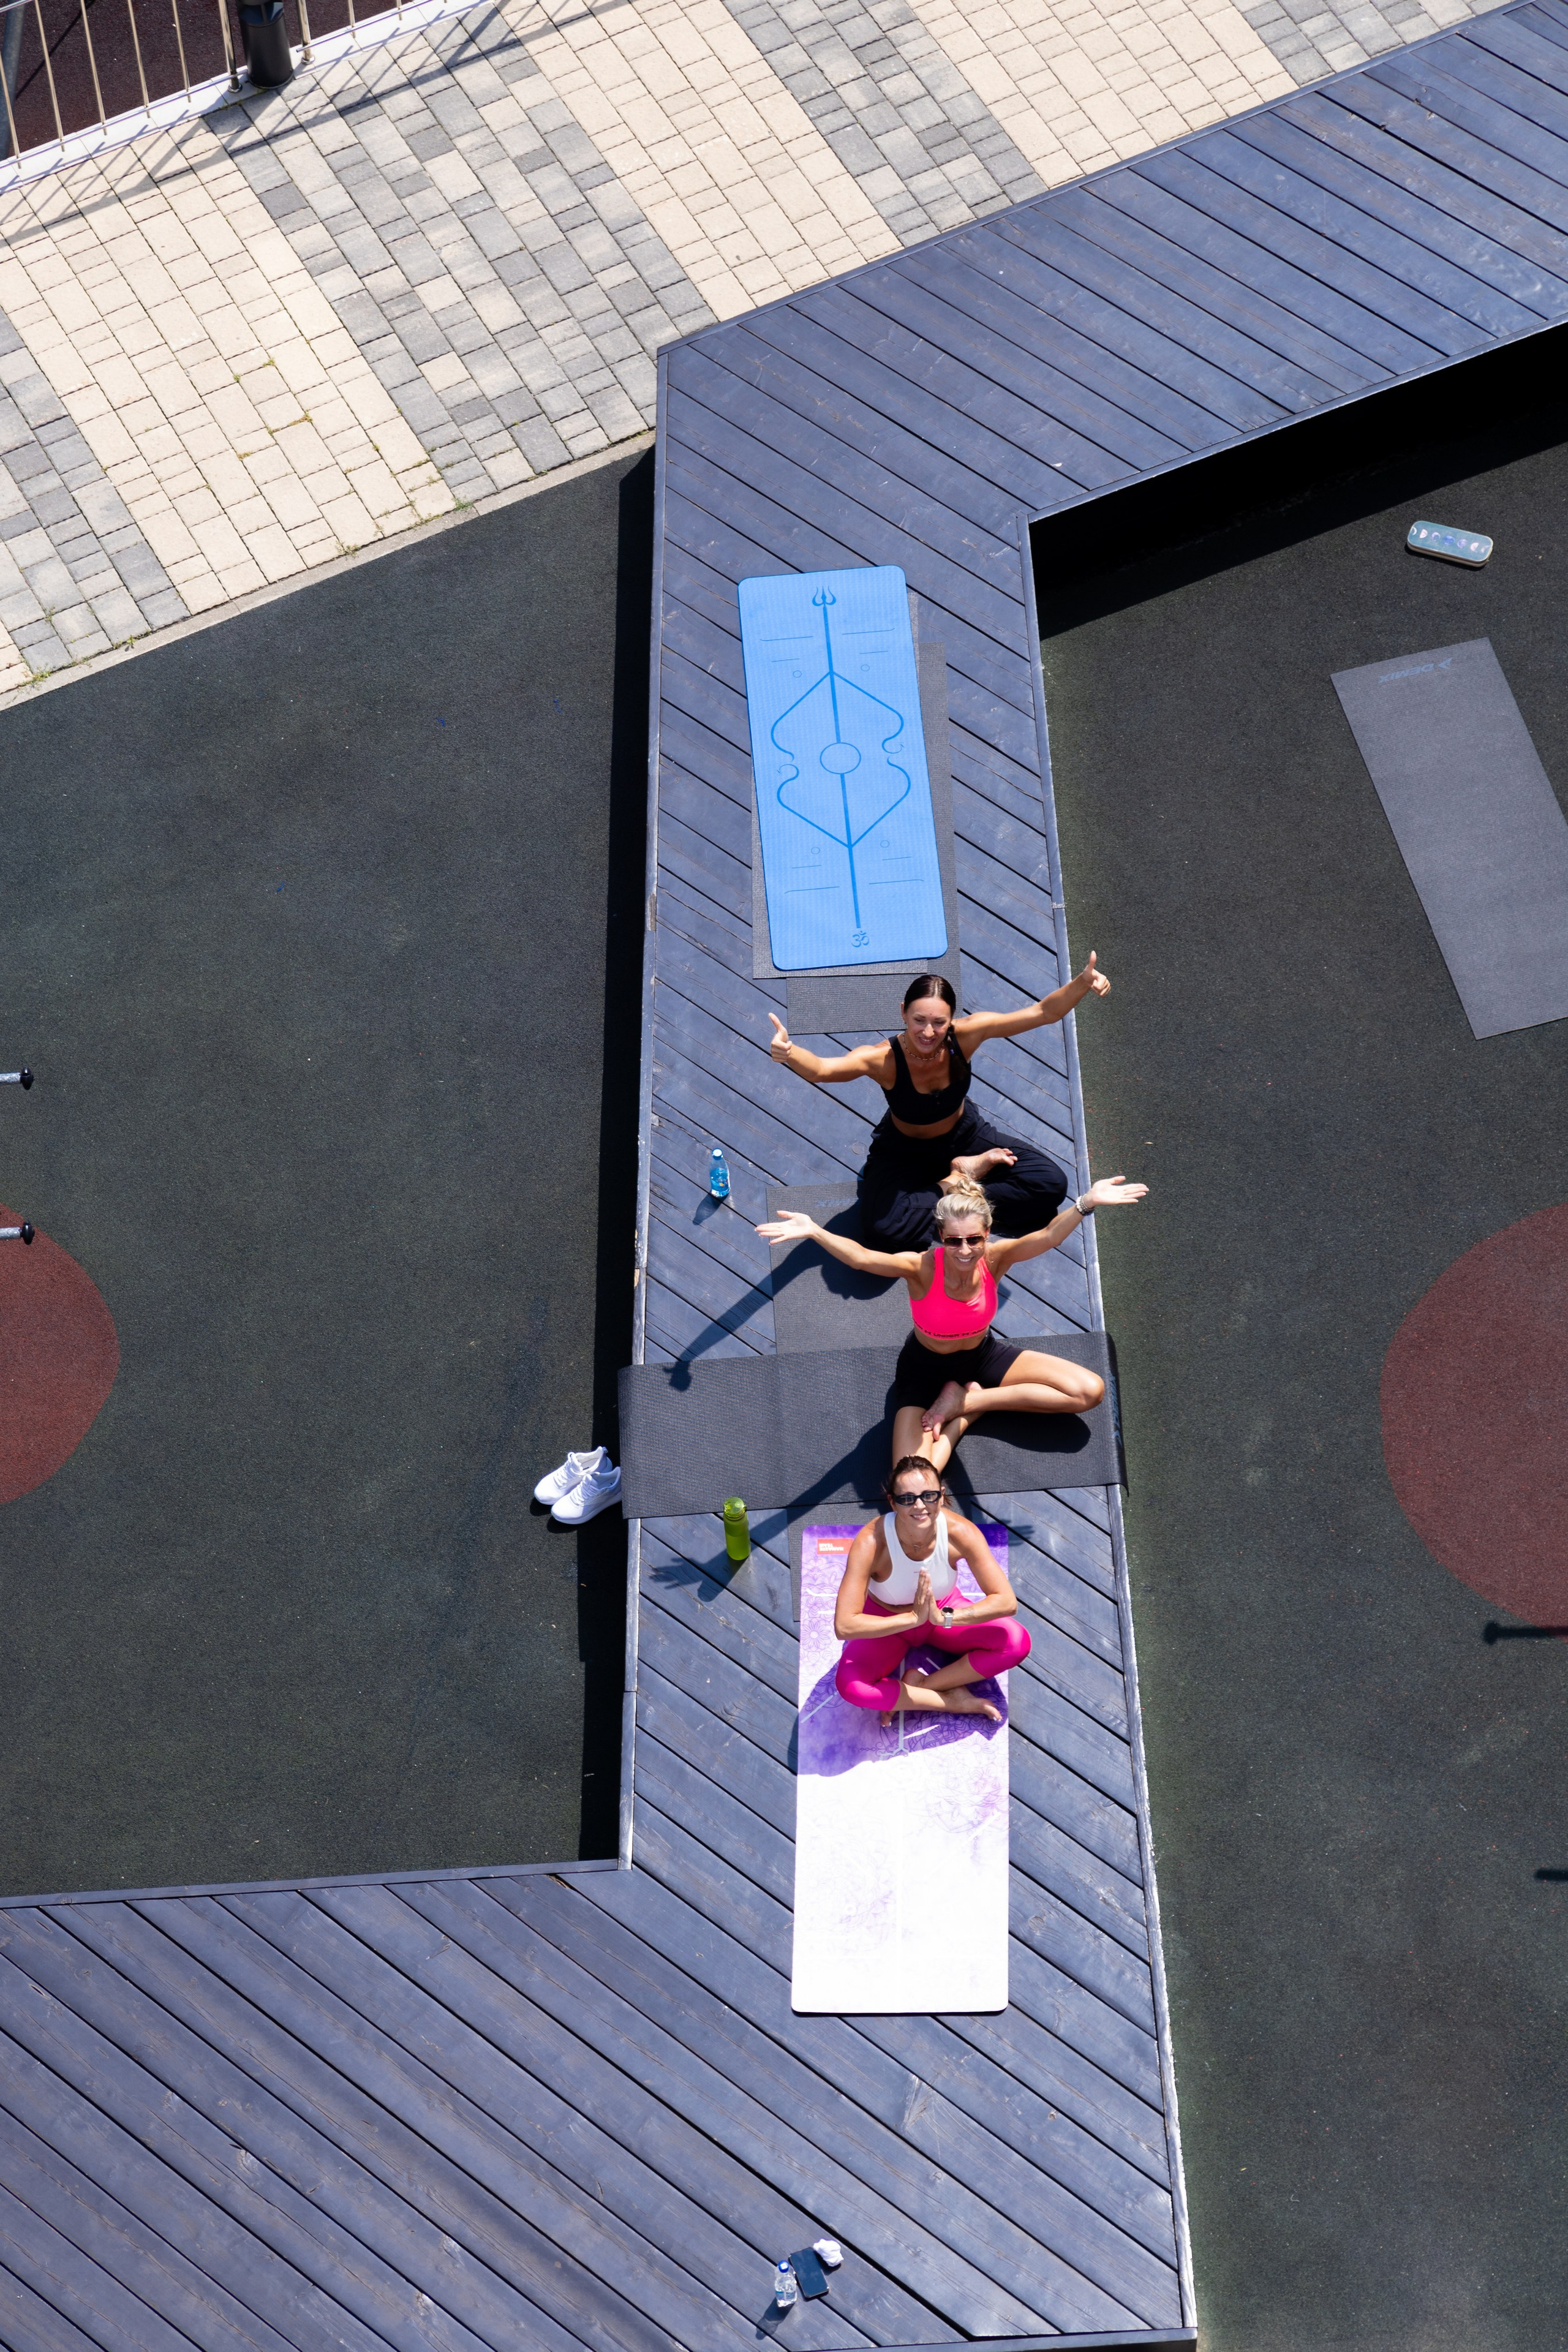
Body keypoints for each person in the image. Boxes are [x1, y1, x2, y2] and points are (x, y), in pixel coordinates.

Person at [758, 1170, 1145, 1473]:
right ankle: (963, 1415)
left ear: (986, 1235)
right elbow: (861, 1258)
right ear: (941, 1236)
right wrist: (814, 1230)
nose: (965, 1250)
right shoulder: (921, 1268)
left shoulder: (996, 1257)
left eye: (974, 1240)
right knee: (912, 1476)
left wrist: (1085, 1203)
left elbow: (1047, 1236)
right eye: (954, 1241)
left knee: (1089, 1392)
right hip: (923, 1370)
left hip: (982, 1357)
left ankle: (968, 1401)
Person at [767, 960, 1110, 1251]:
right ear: (903, 1013)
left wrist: (1082, 983)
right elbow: (824, 1070)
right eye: (919, 1020)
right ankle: (960, 1178)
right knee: (884, 1232)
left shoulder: (967, 1035)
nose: (928, 1032)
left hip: (965, 1137)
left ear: (951, 1020)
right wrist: (790, 1053)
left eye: (939, 1023)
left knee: (1050, 1184)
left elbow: (1042, 1012)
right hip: (906, 1152)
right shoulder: (882, 1059)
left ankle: (947, 1194)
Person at [833, 1457, 1030, 1721]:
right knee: (851, 1687)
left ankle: (924, 1686)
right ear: (892, 1502)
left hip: (941, 1614)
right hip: (889, 1622)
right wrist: (911, 1619)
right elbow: (845, 1626)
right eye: (907, 1499)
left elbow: (1007, 1602)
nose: (919, 1506)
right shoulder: (871, 1541)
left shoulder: (960, 1532)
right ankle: (949, 1702)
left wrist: (944, 1617)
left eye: (928, 1496)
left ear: (941, 1496)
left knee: (1016, 1642)